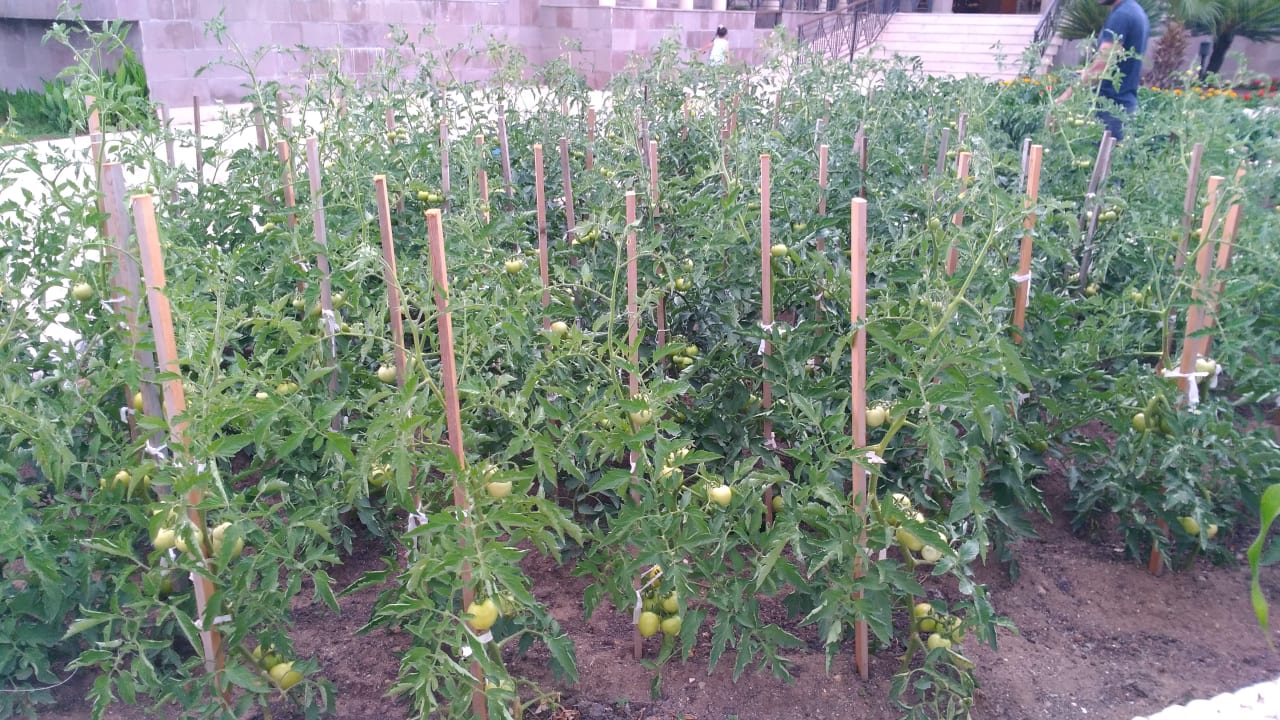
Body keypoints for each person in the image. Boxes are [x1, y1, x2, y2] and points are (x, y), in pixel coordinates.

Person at [1054, 0, 1149, 141]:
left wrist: (1064, 98)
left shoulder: (1121, 15)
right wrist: (1086, 72)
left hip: (1109, 112)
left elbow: (1101, 68)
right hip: (1123, 108)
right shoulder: (1136, 11)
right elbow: (1117, 63)